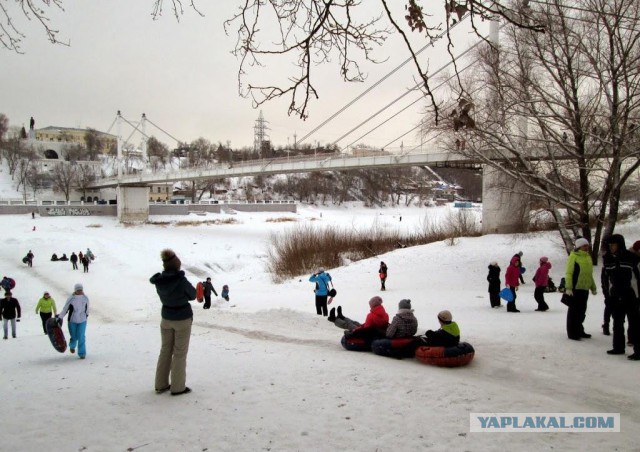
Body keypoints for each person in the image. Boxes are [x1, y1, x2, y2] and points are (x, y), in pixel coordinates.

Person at [150, 249, 196, 396]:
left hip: (166, 318)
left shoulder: (160, 281)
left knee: (165, 351)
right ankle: (177, 387)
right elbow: (193, 295)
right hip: (182, 319)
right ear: (176, 265)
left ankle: (160, 384)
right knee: (179, 353)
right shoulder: (181, 281)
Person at [601, 234, 640, 360]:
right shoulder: (607, 259)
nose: (611, 247)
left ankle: (638, 350)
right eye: (609, 245)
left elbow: (637, 278)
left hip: (630, 295)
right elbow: (605, 279)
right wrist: (607, 294)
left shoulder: (631, 258)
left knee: (635, 323)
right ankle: (618, 347)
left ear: (620, 244)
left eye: (613, 244)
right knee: (617, 322)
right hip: (615, 295)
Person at [565, 237, 597, 341]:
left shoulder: (588, 257)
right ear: (579, 247)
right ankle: (572, 332)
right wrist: (568, 287)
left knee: (582, 312)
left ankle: (579, 329)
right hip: (576, 288)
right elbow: (569, 273)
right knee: (574, 311)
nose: (586, 247)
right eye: (584, 245)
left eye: (587, 245)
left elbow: (589, 274)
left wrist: (593, 287)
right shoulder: (573, 256)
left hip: (584, 288)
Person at [57, 284, 89, 358]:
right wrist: (60, 317)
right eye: (78, 290)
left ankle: (82, 353)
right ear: (75, 290)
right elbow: (65, 309)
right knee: (74, 337)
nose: (80, 291)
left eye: (81, 290)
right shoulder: (71, 299)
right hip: (72, 321)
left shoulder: (85, 298)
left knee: (81, 336)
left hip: (82, 320)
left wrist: (86, 315)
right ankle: (72, 346)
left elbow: (87, 309)